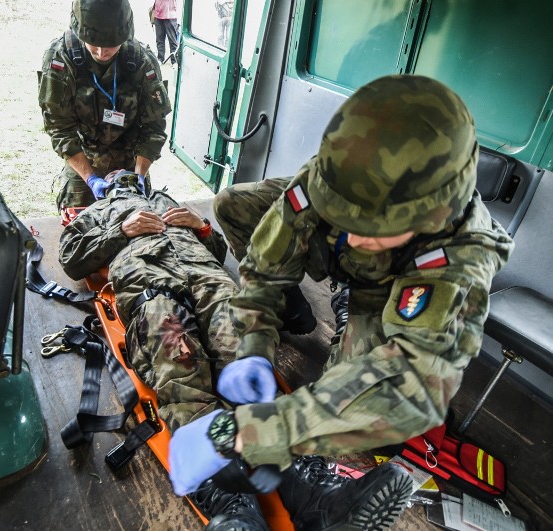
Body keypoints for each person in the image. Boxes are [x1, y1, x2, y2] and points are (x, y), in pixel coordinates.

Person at [167, 75, 515, 528]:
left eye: (372, 227)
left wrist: (247, 434)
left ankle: (310, 489)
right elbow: (266, 265)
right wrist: (254, 347)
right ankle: (300, 318)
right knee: (234, 203)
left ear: (434, 215)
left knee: (349, 384)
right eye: (343, 216)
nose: (352, 234)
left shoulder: (462, 257)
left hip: (388, 291)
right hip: (347, 262)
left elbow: (410, 386)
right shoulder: (341, 178)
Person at [58, 170, 414, 531]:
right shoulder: (94, 213)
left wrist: (202, 227)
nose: (124, 178)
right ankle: (233, 509)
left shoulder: (165, 201)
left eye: (128, 175)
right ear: (102, 187)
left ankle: (315, 495)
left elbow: (216, 251)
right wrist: (121, 231)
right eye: (116, 176)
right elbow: (71, 258)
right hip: (151, 284)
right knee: (181, 368)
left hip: (211, 281)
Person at [38, 0, 171, 211]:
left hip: (131, 164)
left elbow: (154, 127)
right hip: (83, 158)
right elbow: (59, 127)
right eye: (93, 44)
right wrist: (91, 179)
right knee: (77, 227)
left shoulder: (140, 60)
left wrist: (138, 177)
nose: (101, 53)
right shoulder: (61, 58)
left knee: (140, 225)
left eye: (110, 45)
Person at [152, 0, 179, 65]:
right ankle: (160, 58)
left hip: (170, 14)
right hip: (158, 13)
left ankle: (174, 61)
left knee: (172, 40)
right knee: (159, 39)